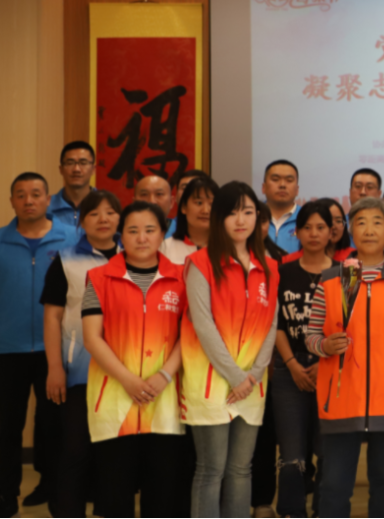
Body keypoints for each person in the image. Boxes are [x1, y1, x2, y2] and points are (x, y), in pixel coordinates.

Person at [306, 197, 384, 519]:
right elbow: (311, 336)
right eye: (361, 222)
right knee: (334, 485)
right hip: (341, 398)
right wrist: (325, 346)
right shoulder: (330, 279)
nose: (369, 230)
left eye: (377, 222)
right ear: (350, 230)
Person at [82, 201, 186, 519]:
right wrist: (128, 380)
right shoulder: (98, 277)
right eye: (133, 230)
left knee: (163, 495)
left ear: (162, 234)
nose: (142, 238)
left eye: (150, 230)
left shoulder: (182, 278)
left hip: (165, 402)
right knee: (115, 495)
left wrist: (164, 376)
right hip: (114, 400)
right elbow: (92, 338)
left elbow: (190, 337)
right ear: (121, 235)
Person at [181, 181, 279, 519]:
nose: (241, 220)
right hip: (210, 383)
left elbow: (271, 325)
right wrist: (237, 376)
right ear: (219, 217)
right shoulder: (200, 263)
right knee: (211, 469)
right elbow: (203, 326)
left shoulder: (269, 266)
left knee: (241, 469)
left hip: (252, 384)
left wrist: (253, 374)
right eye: (232, 212)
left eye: (248, 212)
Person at [0, 172, 77, 516]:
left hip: (55, 351)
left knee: (54, 427)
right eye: (20, 195)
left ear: (49, 199)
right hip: (7, 349)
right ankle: (5, 496)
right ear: (11, 201)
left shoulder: (71, 238)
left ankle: (56, 492)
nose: (28, 200)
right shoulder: (0, 241)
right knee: (6, 428)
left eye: (35, 194)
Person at [41, 190, 121, 519]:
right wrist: (54, 367)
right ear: (81, 222)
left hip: (126, 372)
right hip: (80, 371)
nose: (103, 219)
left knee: (114, 454)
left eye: (110, 212)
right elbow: (52, 317)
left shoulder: (135, 256)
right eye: (93, 213)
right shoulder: (65, 259)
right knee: (76, 449)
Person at [273, 202, 334, 519]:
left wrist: (323, 364)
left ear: (331, 232)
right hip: (289, 368)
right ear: (296, 232)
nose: (313, 233)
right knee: (292, 453)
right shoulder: (282, 272)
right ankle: (291, 512)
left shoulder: (342, 274)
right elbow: (276, 324)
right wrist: (292, 364)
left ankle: (323, 510)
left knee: (328, 450)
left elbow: (349, 327)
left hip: (331, 368)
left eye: (320, 227)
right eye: (307, 227)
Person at [161, 177, 217, 264]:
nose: (206, 210)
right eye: (199, 203)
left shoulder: (229, 248)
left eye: (212, 204)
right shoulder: (164, 248)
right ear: (184, 207)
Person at [49, 141, 97, 229]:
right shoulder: (45, 207)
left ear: (93, 169)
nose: (76, 169)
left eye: (83, 163)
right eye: (70, 163)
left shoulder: (107, 208)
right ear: (61, 169)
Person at [263, 159, 301, 255]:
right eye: (275, 179)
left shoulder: (306, 218)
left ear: (297, 190)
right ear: (264, 187)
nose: (282, 185)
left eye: (289, 180)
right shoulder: (253, 216)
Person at [166, 169, 212, 237]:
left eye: (196, 188)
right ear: (176, 196)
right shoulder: (164, 228)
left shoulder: (221, 231)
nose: (189, 193)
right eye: (185, 188)